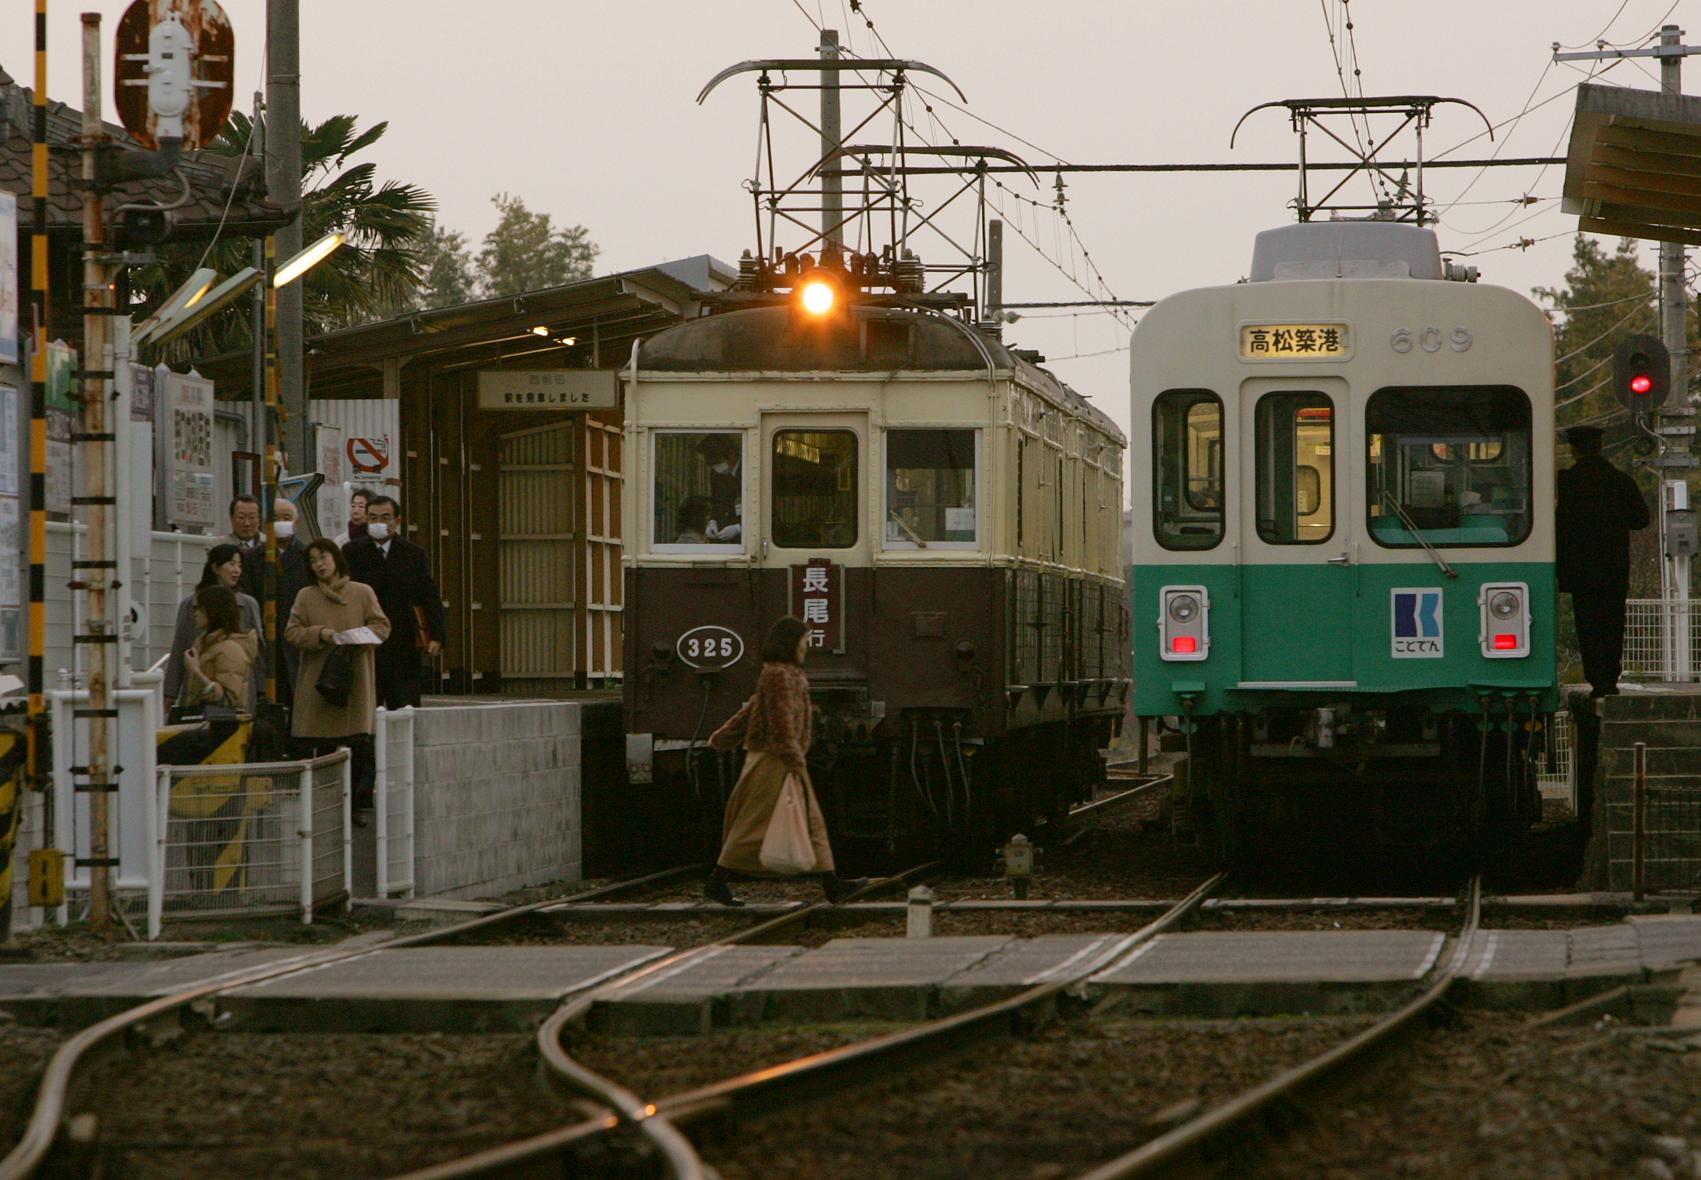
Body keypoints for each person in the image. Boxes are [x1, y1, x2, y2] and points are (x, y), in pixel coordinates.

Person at [703, 616, 867, 906]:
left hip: (782, 755)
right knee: (752, 823)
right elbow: (778, 719)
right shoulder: (779, 675)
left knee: (810, 821)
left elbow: (753, 709)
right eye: (803, 641)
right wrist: (793, 755)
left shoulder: (782, 673)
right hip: (774, 758)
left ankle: (832, 884)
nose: (806, 646)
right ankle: (717, 881)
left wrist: (723, 736)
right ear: (790, 643)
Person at [286, 538, 391, 820]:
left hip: (354, 677)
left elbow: (382, 627)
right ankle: (324, 807)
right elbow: (292, 632)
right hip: (318, 681)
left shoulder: (362, 592)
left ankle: (353, 805)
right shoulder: (305, 596)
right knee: (320, 747)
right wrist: (319, 634)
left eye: (324, 557)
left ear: (335, 558)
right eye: (313, 560)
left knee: (358, 744)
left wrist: (357, 637)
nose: (320, 564)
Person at [1557, 424, 1651, 697]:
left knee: (1588, 626)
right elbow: (1641, 519)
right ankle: (1610, 679)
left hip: (1580, 570)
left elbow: (1557, 522)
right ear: (1599, 447)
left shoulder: (1567, 482)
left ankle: (1596, 680)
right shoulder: (1620, 481)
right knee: (1612, 624)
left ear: (1574, 449)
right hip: (1613, 568)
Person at [344, 495, 447, 709]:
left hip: (404, 641)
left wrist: (437, 635)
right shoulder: (352, 552)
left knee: (404, 706)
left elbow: (429, 595)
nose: (379, 523)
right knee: (366, 708)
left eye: (385, 517)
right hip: (366, 641)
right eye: (372, 517)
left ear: (397, 521)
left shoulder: (413, 553)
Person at [164, 543, 265, 710]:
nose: (237, 570)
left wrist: (262, 690)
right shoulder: (191, 605)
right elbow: (180, 647)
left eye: (239, 565)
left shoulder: (247, 604)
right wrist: (171, 691)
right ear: (215, 568)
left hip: (237, 687)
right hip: (198, 686)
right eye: (231, 564)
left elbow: (259, 652)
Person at [177, 586, 258, 711]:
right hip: (201, 724)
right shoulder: (204, 644)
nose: (196, 613)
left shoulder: (231, 650)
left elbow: (229, 700)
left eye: (201, 608)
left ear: (213, 611)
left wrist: (196, 671)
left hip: (221, 727)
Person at [271, 498, 313, 707]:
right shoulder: (254, 557)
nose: (281, 522)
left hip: (298, 639)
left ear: (296, 524)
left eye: (286, 518)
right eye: (275, 518)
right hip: (267, 642)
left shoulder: (308, 557)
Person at [697, 434, 743, 543]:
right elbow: (716, 502)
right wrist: (712, 521)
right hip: (723, 538)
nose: (716, 467)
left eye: (717, 462)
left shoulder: (750, 470)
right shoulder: (716, 473)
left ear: (731, 454)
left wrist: (739, 528)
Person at [225, 493, 264, 596]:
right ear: (231, 518)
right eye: (241, 517)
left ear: (259, 519)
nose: (247, 523)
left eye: (252, 517)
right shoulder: (218, 546)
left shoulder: (270, 545)